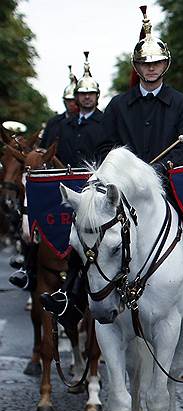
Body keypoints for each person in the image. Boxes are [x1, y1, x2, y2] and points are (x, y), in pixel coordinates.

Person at [41, 6, 183, 326]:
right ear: (138, 67)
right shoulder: (119, 104)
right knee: (89, 227)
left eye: (156, 63)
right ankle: (72, 289)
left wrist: (163, 168)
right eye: (145, 64)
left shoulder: (182, 103)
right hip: (122, 188)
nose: (151, 68)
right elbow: (105, 145)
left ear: (165, 65)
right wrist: (125, 170)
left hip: (169, 183)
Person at [9, 54, 104, 291]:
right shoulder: (57, 124)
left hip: (92, 187)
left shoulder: (105, 121)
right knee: (34, 222)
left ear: (96, 96)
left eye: (89, 94)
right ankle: (28, 266)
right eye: (80, 95)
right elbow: (44, 155)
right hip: (59, 189)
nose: (84, 98)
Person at [38, 66, 79, 151]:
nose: (72, 103)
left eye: (74, 100)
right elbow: (43, 147)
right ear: (64, 101)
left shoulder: (87, 121)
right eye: (69, 100)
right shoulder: (53, 122)